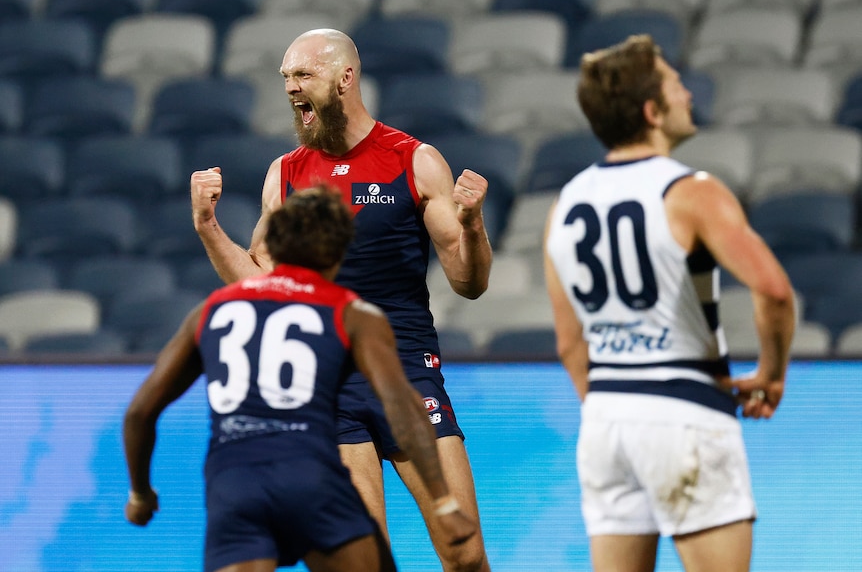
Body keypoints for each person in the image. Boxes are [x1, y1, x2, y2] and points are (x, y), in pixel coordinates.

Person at [189, 29, 492, 571]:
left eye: (302, 75)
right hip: (327, 383)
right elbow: (259, 283)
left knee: (464, 554)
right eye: (285, 77)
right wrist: (209, 227)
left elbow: (468, 282)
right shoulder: (285, 173)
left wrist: (471, 226)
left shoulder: (413, 161)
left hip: (406, 373)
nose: (290, 88)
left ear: (345, 77)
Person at [124, 187, 479, 572]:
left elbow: (140, 413)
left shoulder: (211, 310)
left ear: (272, 244)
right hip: (311, 478)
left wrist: (141, 494)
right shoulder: (349, 312)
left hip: (235, 485)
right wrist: (443, 501)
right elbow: (403, 407)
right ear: (338, 253)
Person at [543, 35, 796, 572]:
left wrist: (618, 411)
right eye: (674, 83)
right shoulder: (692, 190)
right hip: (685, 415)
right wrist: (772, 373)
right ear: (653, 111)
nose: (687, 91)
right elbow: (773, 290)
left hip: (605, 422)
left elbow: (570, 344)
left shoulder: (564, 203)